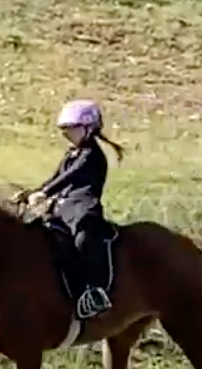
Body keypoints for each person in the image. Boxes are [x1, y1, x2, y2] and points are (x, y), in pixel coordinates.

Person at [13, 99, 127, 319]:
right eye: (64, 130)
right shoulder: (71, 154)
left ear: (88, 128)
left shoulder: (91, 155)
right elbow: (56, 178)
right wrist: (33, 192)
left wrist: (46, 193)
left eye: (71, 129)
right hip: (61, 208)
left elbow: (69, 177)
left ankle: (94, 291)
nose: (66, 134)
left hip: (83, 209)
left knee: (83, 240)